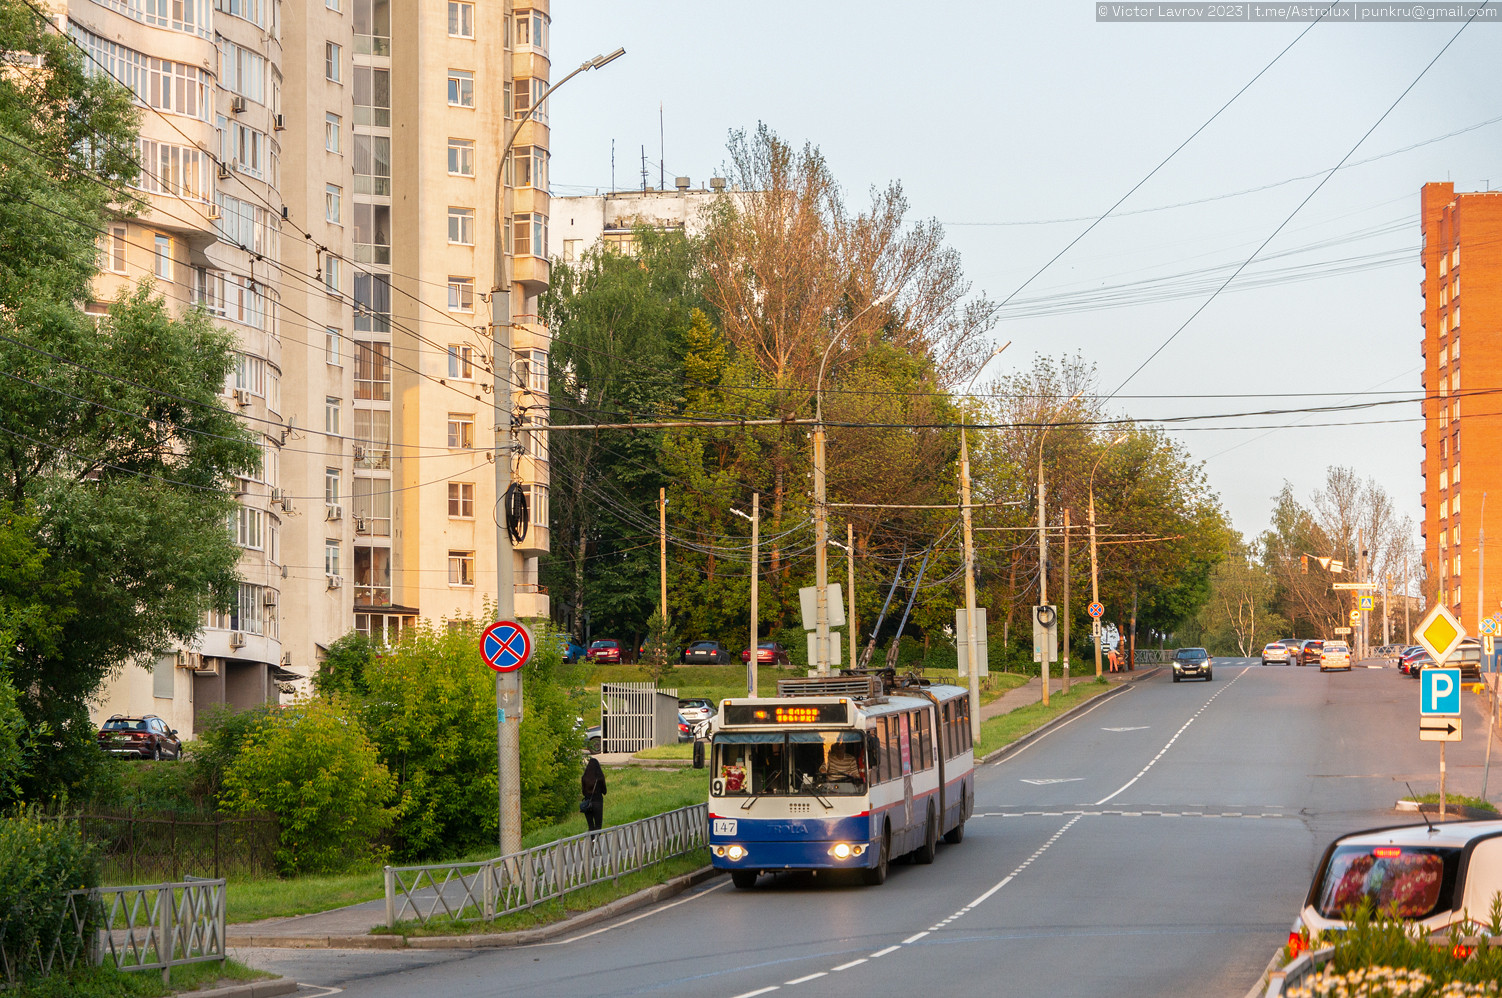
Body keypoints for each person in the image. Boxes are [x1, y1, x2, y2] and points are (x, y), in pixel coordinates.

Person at [582, 757, 607, 832]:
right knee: (598, 825)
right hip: (598, 802)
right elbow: (604, 791)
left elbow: (583, 792)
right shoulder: (600, 778)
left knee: (590, 826)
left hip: (587, 803)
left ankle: (592, 840)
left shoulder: (584, 778)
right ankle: (595, 841)